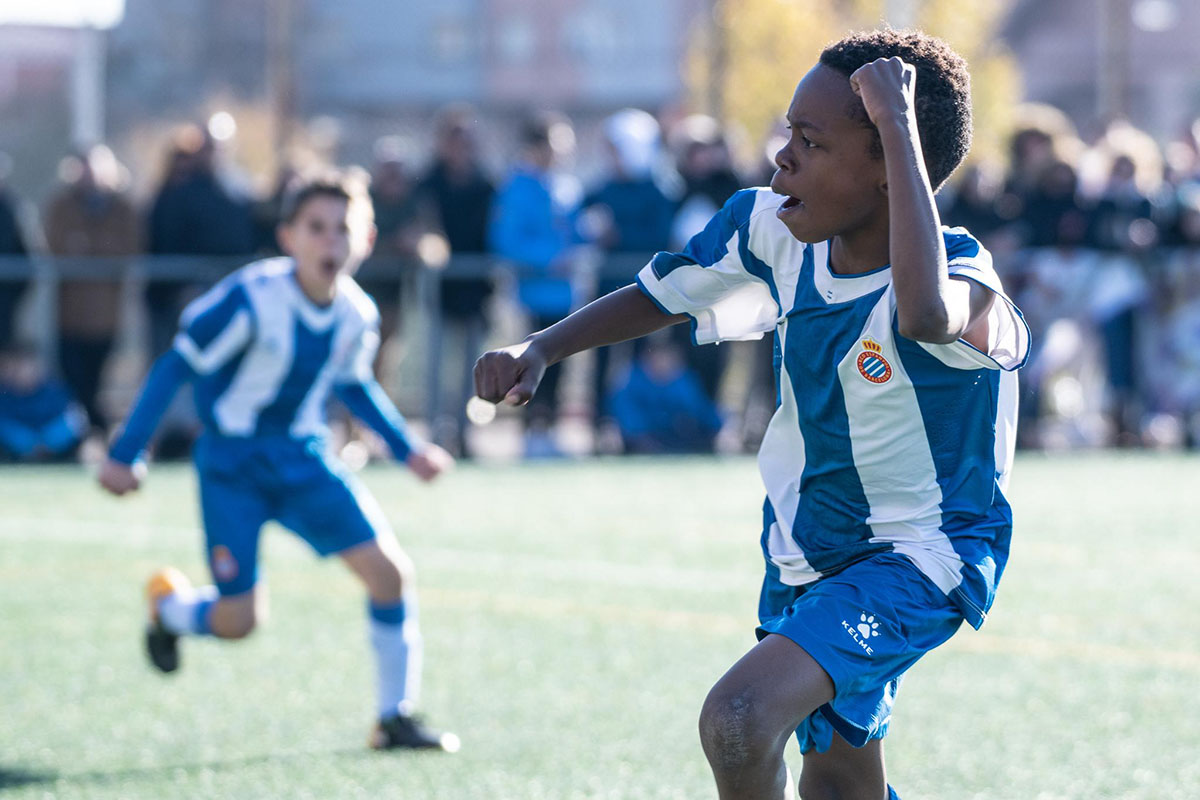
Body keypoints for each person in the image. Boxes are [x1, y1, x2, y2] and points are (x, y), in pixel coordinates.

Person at [475, 30, 1028, 800]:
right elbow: (665, 294)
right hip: (804, 548)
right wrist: (541, 346)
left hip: (921, 556)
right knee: (837, 786)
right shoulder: (771, 228)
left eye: (810, 141)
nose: (781, 159)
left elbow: (926, 313)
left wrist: (900, 124)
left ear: (885, 169)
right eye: (785, 135)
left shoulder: (965, 281)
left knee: (738, 717)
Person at [98, 169, 459, 752]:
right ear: (288, 236)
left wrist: (407, 450)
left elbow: (354, 384)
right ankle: (169, 610)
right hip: (231, 468)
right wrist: (124, 452)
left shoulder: (356, 314)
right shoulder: (252, 297)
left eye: (343, 230)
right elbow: (175, 365)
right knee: (240, 623)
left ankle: (394, 717)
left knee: (390, 574)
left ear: (365, 241)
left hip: (304, 461)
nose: (330, 242)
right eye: (315, 228)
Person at [488, 111, 585, 457]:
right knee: (529, 365)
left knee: (562, 364)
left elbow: (575, 233)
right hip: (533, 294)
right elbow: (507, 239)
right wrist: (549, 259)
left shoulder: (566, 186)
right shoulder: (516, 187)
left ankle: (553, 431)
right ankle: (530, 433)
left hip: (565, 295)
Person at [43, 145, 141, 434]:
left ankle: (97, 432)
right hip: (69, 314)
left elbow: (127, 248)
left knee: (101, 380)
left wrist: (87, 249)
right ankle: (77, 436)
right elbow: (57, 245)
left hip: (106, 315)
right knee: (72, 378)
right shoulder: (62, 204)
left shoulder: (121, 207)